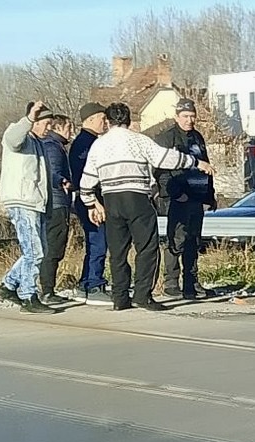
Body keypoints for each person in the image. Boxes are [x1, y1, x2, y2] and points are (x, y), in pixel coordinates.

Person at [78, 101, 211, 312]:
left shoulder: (99, 145)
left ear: (109, 121)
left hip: (111, 200)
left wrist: (90, 204)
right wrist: (195, 162)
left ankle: (120, 298)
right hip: (137, 198)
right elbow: (165, 158)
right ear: (128, 120)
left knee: (118, 251)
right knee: (147, 248)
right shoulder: (138, 140)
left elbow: (86, 181)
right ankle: (142, 295)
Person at [0, 100, 62, 315]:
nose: (49, 128)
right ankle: (28, 295)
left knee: (37, 251)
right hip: (22, 201)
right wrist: (29, 118)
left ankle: (8, 285)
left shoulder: (40, 144)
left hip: (36, 204)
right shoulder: (19, 136)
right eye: (46, 123)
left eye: (51, 124)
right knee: (34, 252)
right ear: (33, 122)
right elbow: (13, 140)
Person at [152, 98, 217, 300]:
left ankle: (191, 283)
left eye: (192, 116)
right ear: (177, 117)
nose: (189, 120)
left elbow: (206, 166)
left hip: (197, 197)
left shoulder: (197, 137)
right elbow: (160, 171)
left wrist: (210, 194)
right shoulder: (166, 138)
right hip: (177, 198)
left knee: (193, 241)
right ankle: (171, 283)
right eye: (185, 116)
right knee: (176, 240)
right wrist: (174, 193)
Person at [68, 102, 112, 305]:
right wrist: (93, 202)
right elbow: (82, 177)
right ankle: (95, 284)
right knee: (98, 243)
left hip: (91, 200)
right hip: (91, 201)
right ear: (91, 119)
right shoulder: (86, 144)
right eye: (102, 118)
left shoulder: (90, 141)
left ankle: (85, 283)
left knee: (95, 244)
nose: (106, 122)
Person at [35, 114, 74, 306]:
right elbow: (51, 172)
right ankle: (47, 290)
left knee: (52, 247)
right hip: (56, 203)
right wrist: (63, 181)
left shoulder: (53, 145)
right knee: (53, 248)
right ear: (58, 128)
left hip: (57, 202)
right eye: (68, 128)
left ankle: (46, 288)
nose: (70, 132)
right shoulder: (52, 147)